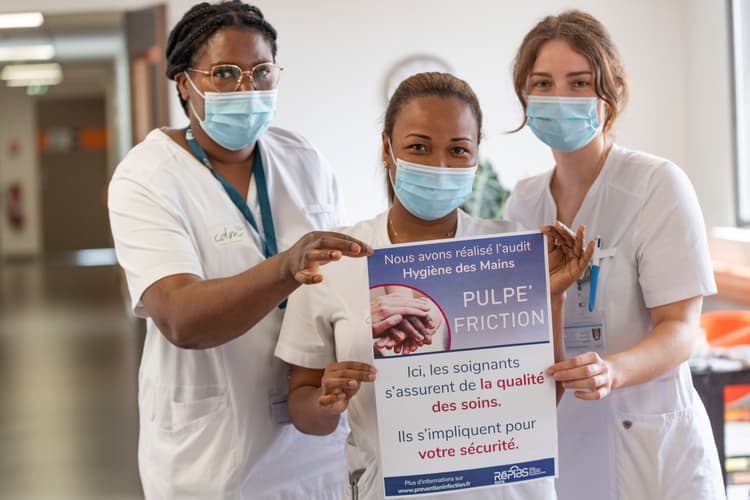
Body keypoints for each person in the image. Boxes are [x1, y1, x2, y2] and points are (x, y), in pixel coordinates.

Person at [275, 72, 593, 500]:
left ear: (477, 156)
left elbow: (539, 400)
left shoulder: (508, 249)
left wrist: (550, 294)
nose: (439, 165)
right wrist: (325, 401)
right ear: (387, 150)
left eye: (459, 150)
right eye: (419, 147)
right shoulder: (337, 261)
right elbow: (305, 411)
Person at [107, 2, 375, 498]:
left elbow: (337, 294)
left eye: (261, 72)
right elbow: (181, 319)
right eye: (225, 73)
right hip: (212, 455)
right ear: (184, 83)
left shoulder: (304, 160)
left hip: (313, 443)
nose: (246, 89)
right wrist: (286, 267)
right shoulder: (147, 176)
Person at [504, 10, 725, 500]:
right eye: (543, 83)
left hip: (648, 439)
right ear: (525, 94)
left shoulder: (656, 185)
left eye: (579, 82)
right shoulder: (522, 203)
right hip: (561, 437)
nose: (559, 97)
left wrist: (613, 370)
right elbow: (520, 327)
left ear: (611, 93)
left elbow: (681, 330)